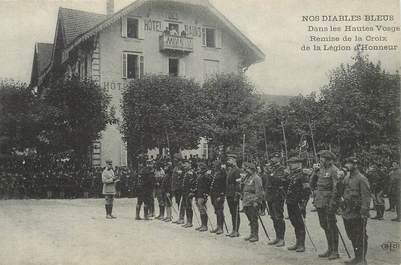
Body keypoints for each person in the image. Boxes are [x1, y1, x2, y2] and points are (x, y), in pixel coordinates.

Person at [340, 157, 371, 265]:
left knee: (360, 235)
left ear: (356, 165)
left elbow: (366, 197)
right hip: (348, 211)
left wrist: (364, 212)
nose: (347, 165)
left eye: (349, 163)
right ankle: (356, 258)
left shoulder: (361, 178)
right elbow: (342, 190)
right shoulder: (347, 177)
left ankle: (362, 259)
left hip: (358, 212)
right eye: (346, 163)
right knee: (352, 235)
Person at [311, 150, 340, 260]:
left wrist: (333, 203)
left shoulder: (334, 170)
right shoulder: (320, 169)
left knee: (331, 226)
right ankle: (329, 249)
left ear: (328, 160)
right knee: (324, 225)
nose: (320, 160)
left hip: (328, 202)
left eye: (322, 158)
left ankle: (335, 251)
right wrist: (314, 172)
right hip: (320, 201)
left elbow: (336, 188)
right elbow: (312, 184)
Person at [285, 157, 311, 253]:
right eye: (290, 163)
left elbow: (307, 190)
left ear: (298, 163)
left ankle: (301, 245)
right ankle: (297, 242)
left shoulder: (303, 175)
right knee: (294, 222)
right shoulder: (292, 175)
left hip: (298, 203)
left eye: (292, 163)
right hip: (291, 202)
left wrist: (303, 204)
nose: (290, 165)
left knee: (299, 223)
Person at [264, 154, 287, 247]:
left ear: (278, 159)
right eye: (272, 157)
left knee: (278, 217)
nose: (272, 159)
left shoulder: (282, 169)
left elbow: (279, 180)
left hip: (277, 195)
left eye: (274, 158)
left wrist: (270, 173)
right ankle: (277, 237)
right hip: (270, 195)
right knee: (273, 217)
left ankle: (282, 238)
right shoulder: (271, 168)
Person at [242, 162, 264, 242]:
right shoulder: (248, 177)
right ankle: (251, 233)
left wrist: (256, 201)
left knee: (254, 218)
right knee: (250, 219)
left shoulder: (257, 178)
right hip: (247, 201)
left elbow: (259, 190)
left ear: (252, 170)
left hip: (253, 201)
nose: (246, 170)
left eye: (248, 169)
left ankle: (255, 235)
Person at [225, 154, 242, 237]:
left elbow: (238, 183)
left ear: (234, 160)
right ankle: (233, 230)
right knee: (232, 212)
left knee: (235, 212)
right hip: (229, 193)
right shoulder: (230, 170)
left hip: (234, 194)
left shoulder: (237, 170)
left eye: (229, 160)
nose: (228, 161)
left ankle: (236, 231)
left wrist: (237, 193)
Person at [209, 159, 227, 235]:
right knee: (216, 211)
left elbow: (224, 185)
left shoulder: (223, 173)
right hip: (213, 194)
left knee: (220, 211)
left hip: (219, 195)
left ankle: (221, 228)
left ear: (218, 165)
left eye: (215, 165)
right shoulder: (215, 173)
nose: (214, 166)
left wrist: (222, 195)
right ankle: (218, 226)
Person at [195, 162, 211, 232]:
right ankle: (202, 225)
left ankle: (205, 226)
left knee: (203, 209)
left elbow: (207, 186)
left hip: (202, 195)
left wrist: (206, 194)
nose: (198, 168)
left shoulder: (205, 175)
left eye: (199, 167)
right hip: (198, 194)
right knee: (200, 210)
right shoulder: (200, 175)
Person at [181, 161, 197, 228]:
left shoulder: (191, 172)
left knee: (189, 207)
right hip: (185, 192)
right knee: (187, 206)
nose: (184, 165)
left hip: (189, 192)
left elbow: (194, 183)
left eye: (186, 164)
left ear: (189, 165)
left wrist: (192, 191)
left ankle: (190, 222)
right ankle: (188, 221)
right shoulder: (186, 172)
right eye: (184, 164)